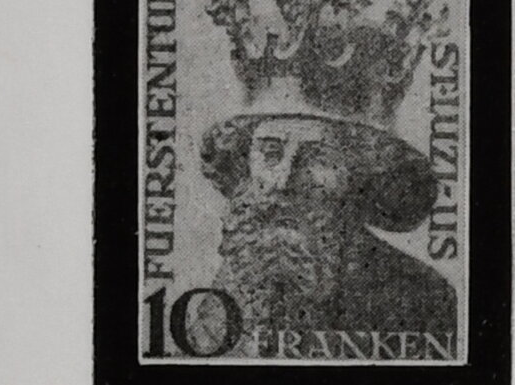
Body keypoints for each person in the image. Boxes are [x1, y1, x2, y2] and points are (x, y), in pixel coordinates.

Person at [197, 101, 459, 366]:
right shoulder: (232, 276)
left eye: (317, 158)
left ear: (359, 173)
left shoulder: (422, 294)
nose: (284, 180)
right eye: (270, 152)